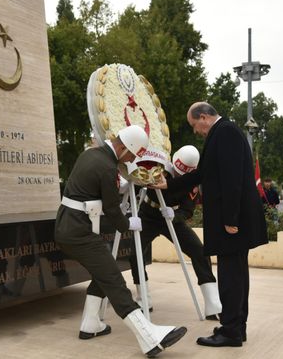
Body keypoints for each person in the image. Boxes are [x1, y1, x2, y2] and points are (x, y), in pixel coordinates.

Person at [55, 125, 187, 357]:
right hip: (79, 230)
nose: (132, 160)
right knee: (113, 279)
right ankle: (149, 337)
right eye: (132, 155)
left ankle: (90, 324)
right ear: (124, 148)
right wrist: (127, 224)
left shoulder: (90, 154)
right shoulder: (107, 167)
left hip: (69, 225)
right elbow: (112, 209)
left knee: (103, 271)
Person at [150, 102, 268, 348]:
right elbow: (204, 173)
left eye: (195, 125)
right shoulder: (223, 132)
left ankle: (231, 331)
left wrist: (230, 220)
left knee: (230, 277)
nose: (196, 131)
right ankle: (235, 327)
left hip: (232, 223)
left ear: (203, 117)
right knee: (235, 275)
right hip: (233, 221)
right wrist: (168, 185)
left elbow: (233, 179)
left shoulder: (225, 132)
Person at [128, 146, 222, 320]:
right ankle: (143, 300)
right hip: (148, 214)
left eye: (182, 175)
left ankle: (213, 304)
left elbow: (188, 210)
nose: (177, 177)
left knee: (199, 251)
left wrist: (175, 215)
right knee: (135, 253)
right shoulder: (159, 166)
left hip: (171, 219)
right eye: (176, 172)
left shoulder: (192, 183)